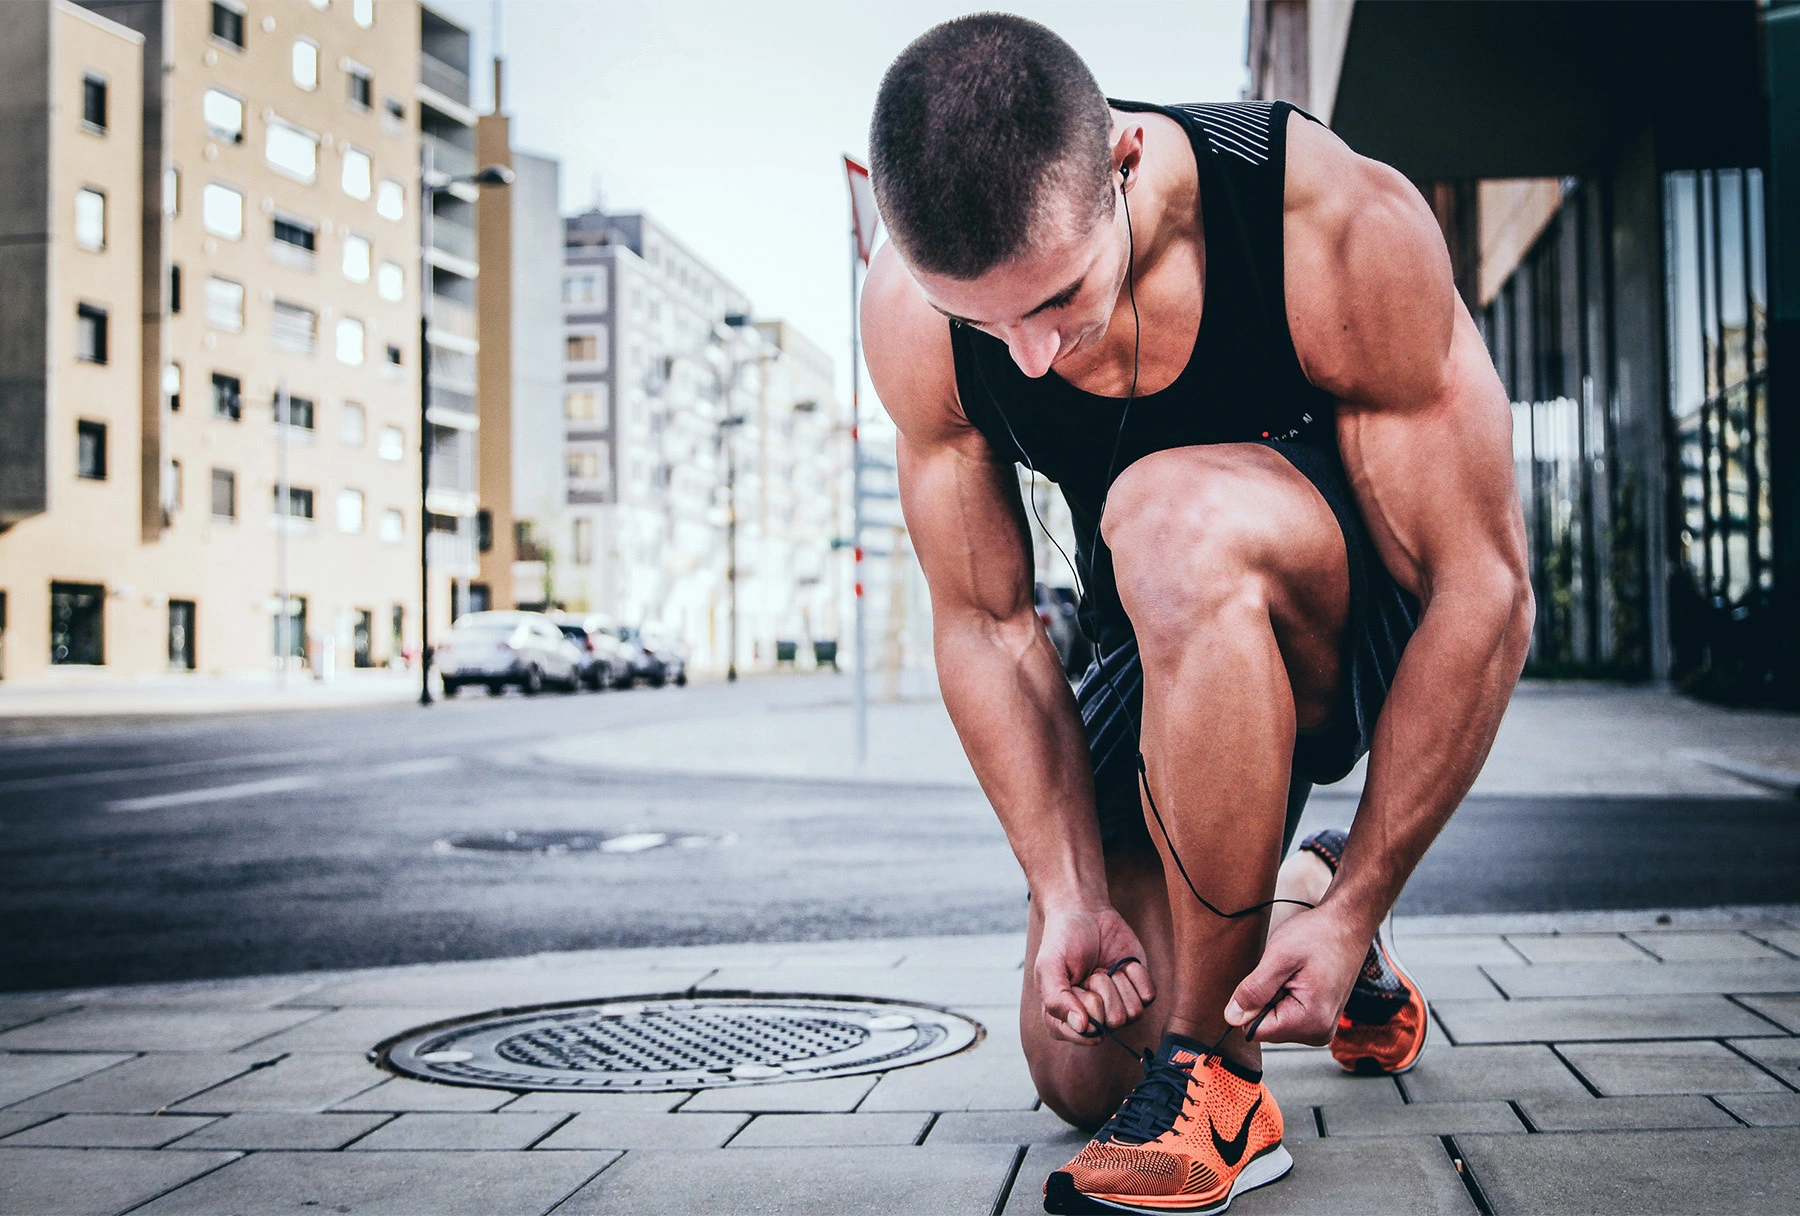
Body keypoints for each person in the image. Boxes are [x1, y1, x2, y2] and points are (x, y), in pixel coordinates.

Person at [861, 14, 1532, 1215]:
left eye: (1058, 298)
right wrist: (1066, 890)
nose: (1024, 356)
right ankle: (1294, 904)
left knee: (1165, 513)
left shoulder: (1321, 220)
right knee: (1078, 1065)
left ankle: (1220, 1083)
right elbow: (987, 623)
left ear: (1122, 166)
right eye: (982, 321)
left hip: (1349, 622)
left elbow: (1486, 589)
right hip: (1160, 636)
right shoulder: (914, 313)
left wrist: (1377, 885)